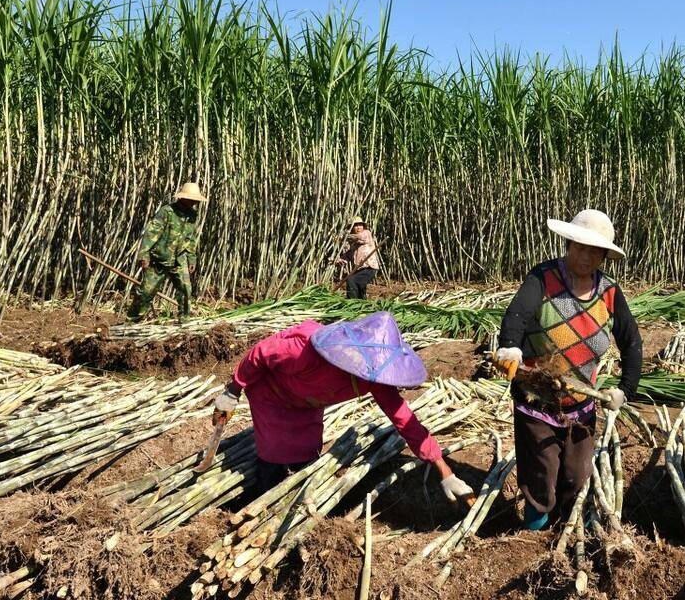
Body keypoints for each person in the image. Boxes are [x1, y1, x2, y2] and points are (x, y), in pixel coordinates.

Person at [211, 311, 474, 502]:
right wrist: (232, 391)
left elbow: (406, 422)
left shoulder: (373, 378)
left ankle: (294, 502)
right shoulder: (305, 350)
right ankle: (262, 499)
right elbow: (258, 354)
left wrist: (446, 472)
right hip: (272, 395)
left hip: (308, 404)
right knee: (273, 455)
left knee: (306, 453)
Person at [492, 209, 643, 531]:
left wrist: (625, 389)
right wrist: (510, 347)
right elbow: (517, 315)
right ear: (568, 244)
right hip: (536, 399)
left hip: (582, 403)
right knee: (541, 473)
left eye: (595, 251)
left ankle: (565, 530)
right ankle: (532, 534)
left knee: (576, 476)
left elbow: (631, 342)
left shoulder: (609, 292)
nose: (586, 257)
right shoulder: (543, 278)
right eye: (580, 247)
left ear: (604, 256)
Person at [128, 182, 205, 322]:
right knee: (146, 291)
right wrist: (144, 254)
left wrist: (192, 258)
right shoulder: (167, 211)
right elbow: (151, 233)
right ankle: (133, 320)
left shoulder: (192, 215)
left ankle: (184, 319)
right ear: (183, 198)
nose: (194, 202)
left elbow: (190, 238)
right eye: (192, 199)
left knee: (186, 290)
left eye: (196, 200)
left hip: (179, 258)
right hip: (160, 257)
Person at [336, 220, 380, 299]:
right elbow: (348, 255)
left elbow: (361, 237)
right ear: (352, 228)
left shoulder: (366, 233)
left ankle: (352, 301)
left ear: (363, 227)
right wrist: (340, 260)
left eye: (360, 225)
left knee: (351, 280)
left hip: (369, 267)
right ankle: (362, 303)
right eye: (356, 226)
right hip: (360, 269)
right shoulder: (354, 245)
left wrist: (344, 237)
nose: (358, 227)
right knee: (360, 286)